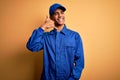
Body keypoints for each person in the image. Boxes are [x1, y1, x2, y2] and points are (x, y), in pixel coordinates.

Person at [26, 3, 84, 80]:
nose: (60, 16)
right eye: (56, 13)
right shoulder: (46, 37)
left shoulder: (74, 36)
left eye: (62, 13)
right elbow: (31, 46)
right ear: (51, 18)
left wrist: (72, 79)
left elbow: (80, 62)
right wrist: (43, 27)